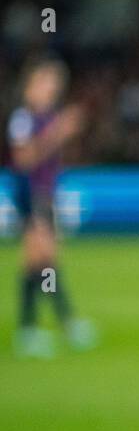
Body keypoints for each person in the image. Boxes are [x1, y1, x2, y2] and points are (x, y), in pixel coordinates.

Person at [6, 58, 97, 357]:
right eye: (45, 83)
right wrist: (58, 133)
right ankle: (58, 323)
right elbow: (24, 160)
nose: (50, 89)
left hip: (44, 194)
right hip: (29, 195)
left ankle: (37, 328)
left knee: (40, 261)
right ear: (31, 86)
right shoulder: (23, 119)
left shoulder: (47, 118)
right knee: (43, 258)